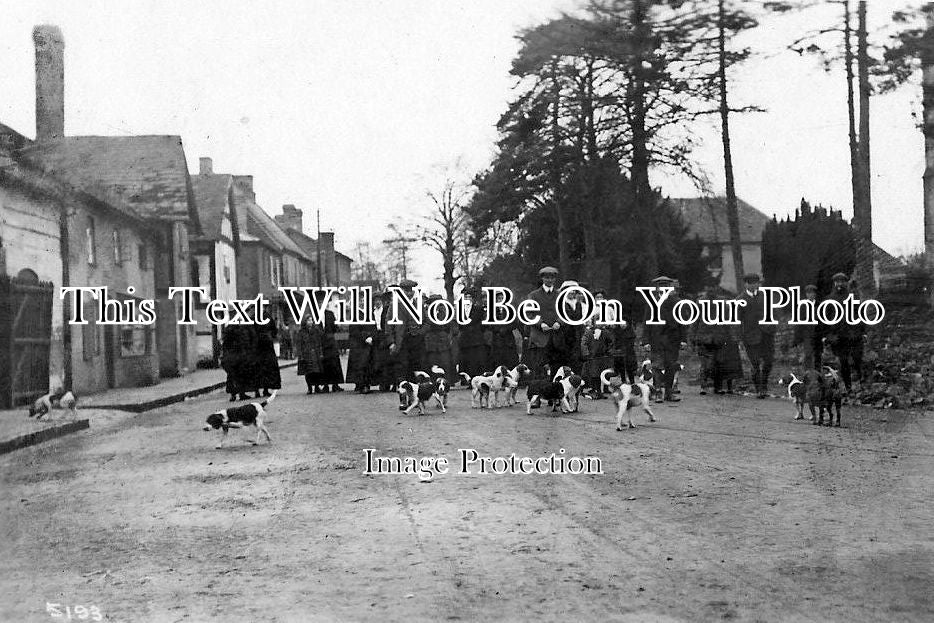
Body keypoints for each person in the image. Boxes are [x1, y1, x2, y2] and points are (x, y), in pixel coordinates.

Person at [644, 275, 685, 403]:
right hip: (656, 339)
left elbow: (683, 321)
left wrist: (683, 339)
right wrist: (645, 341)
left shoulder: (676, 302)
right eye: (661, 286)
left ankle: (668, 393)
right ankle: (657, 392)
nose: (663, 288)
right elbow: (646, 322)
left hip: (672, 339)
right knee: (656, 366)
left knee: (671, 366)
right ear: (657, 288)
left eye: (666, 286)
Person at [822, 272, 864, 393]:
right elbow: (825, 318)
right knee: (843, 361)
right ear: (834, 283)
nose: (839, 284)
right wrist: (826, 335)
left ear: (846, 283)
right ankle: (848, 387)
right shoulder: (829, 299)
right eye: (837, 281)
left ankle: (860, 382)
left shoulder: (853, 297)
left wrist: (863, 332)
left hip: (853, 334)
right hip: (838, 336)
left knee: (857, 358)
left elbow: (860, 314)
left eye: (842, 281)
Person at [737, 273, 777, 399]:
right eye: (752, 283)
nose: (755, 285)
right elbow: (737, 321)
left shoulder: (766, 297)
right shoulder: (740, 300)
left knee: (769, 361)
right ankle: (759, 388)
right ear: (746, 284)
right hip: (750, 337)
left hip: (767, 335)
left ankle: (764, 384)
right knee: (755, 363)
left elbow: (774, 313)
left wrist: (772, 328)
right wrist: (739, 339)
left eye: (756, 283)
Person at [523, 266, 561, 379]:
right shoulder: (533, 295)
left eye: (552, 278)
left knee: (556, 369)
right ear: (542, 278)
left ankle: (554, 394)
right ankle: (537, 394)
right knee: (538, 369)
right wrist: (541, 324)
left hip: (556, 337)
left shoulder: (560, 295)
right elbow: (529, 314)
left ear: (555, 279)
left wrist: (559, 322)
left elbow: (565, 313)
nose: (549, 280)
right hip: (539, 338)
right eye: (547, 277)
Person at [388, 278, 425, 382]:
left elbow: (427, 322)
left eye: (410, 290)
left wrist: (420, 332)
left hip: (416, 340)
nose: (408, 293)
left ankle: (415, 388)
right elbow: (388, 325)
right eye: (406, 290)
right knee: (402, 364)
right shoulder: (394, 305)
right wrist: (391, 342)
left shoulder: (419, 304)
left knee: (415, 365)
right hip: (401, 340)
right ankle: (403, 388)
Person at [580, 290, 615, 398]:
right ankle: (595, 390)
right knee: (594, 373)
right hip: (593, 356)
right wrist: (586, 353)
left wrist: (609, 351)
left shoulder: (606, 332)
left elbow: (611, 342)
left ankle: (604, 389)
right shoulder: (589, 332)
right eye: (597, 297)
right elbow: (584, 342)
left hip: (603, 355)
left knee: (605, 371)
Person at [346, 301, 377, 393]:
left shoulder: (369, 313)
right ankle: (361, 384)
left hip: (369, 343)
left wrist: (372, 337)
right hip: (358, 344)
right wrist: (365, 338)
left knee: (368, 364)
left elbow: (374, 327)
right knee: (360, 365)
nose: (362, 303)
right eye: (360, 301)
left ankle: (367, 384)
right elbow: (354, 330)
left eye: (364, 301)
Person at [221, 322, 257, 401]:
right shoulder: (240, 331)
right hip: (238, 357)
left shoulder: (227, 331)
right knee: (240, 376)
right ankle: (241, 394)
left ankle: (233, 395)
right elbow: (244, 344)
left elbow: (224, 346)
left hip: (229, 357)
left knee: (231, 376)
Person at [556, 280, 586, 373]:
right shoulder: (560, 303)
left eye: (574, 290)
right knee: (565, 360)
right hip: (564, 336)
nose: (572, 292)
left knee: (577, 360)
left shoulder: (578, 304)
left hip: (577, 336)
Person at [423, 293, 455, 379]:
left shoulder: (445, 312)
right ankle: (434, 380)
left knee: (446, 361)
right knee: (432, 361)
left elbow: (448, 325)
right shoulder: (426, 313)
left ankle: (447, 380)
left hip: (442, 339)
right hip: (431, 340)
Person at [457, 288, 487, 377]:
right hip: (465, 338)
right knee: (466, 360)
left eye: (470, 297)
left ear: (473, 299)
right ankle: (468, 379)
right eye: (466, 297)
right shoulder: (460, 310)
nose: (468, 299)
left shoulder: (478, 309)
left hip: (476, 338)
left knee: (476, 360)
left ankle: (477, 378)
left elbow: (482, 323)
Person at [792, 284, 822, 370]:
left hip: (817, 334)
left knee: (818, 355)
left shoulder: (819, 306)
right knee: (808, 355)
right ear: (806, 294)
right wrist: (796, 338)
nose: (810, 295)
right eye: (808, 293)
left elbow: (823, 321)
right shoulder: (802, 306)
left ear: (815, 294)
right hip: (807, 335)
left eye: (812, 293)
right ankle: (807, 375)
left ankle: (818, 376)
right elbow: (798, 323)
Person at [296, 314, 324, 395]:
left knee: (316, 372)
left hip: (315, 353)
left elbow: (319, 342)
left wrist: (321, 353)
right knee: (308, 372)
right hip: (306, 354)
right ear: (305, 322)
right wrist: (300, 355)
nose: (310, 322)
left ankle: (317, 387)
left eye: (311, 320)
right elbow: (299, 344)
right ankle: (310, 388)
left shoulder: (316, 330)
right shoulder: (301, 332)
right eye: (308, 320)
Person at [254, 316, 281, 397]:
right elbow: (274, 331)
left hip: (258, 347)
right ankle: (263, 389)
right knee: (266, 369)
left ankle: (258, 390)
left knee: (258, 369)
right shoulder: (267, 317)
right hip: (264, 346)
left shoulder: (253, 317)